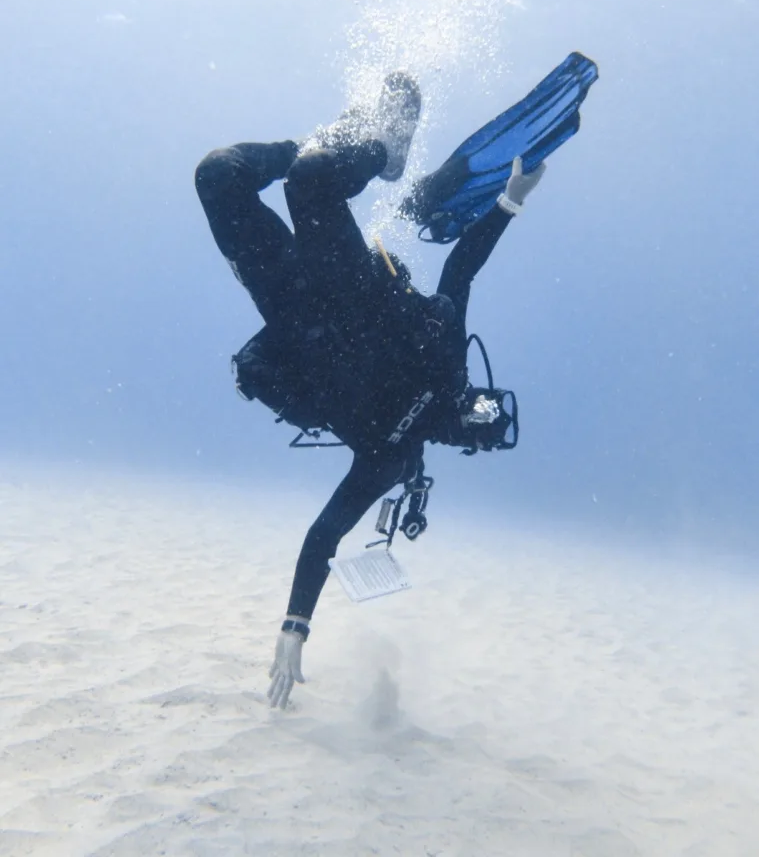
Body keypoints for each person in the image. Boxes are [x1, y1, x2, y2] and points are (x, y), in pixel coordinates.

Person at [195, 57, 598, 709]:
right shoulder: (447, 362)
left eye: (476, 420)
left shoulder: (391, 457)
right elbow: (460, 271)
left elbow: (326, 534)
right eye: (484, 405)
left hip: (295, 315)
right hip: (351, 287)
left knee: (219, 174)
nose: (473, 406)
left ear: (462, 438)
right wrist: (507, 202)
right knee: (312, 178)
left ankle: (342, 139)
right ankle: (380, 148)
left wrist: (294, 626)